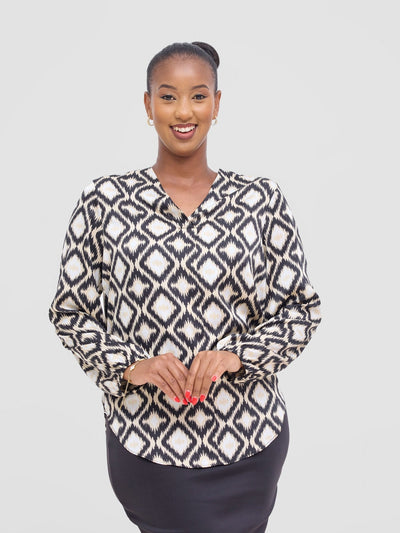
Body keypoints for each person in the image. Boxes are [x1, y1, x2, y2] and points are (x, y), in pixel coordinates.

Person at [48, 41, 323, 533]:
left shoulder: (260, 200)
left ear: (216, 104)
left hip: (249, 436)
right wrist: (132, 365)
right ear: (148, 104)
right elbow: (71, 313)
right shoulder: (104, 201)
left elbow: (300, 311)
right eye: (168, 96)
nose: (183, 111)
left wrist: (236, 356)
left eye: (198, 96)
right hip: (148, 439)